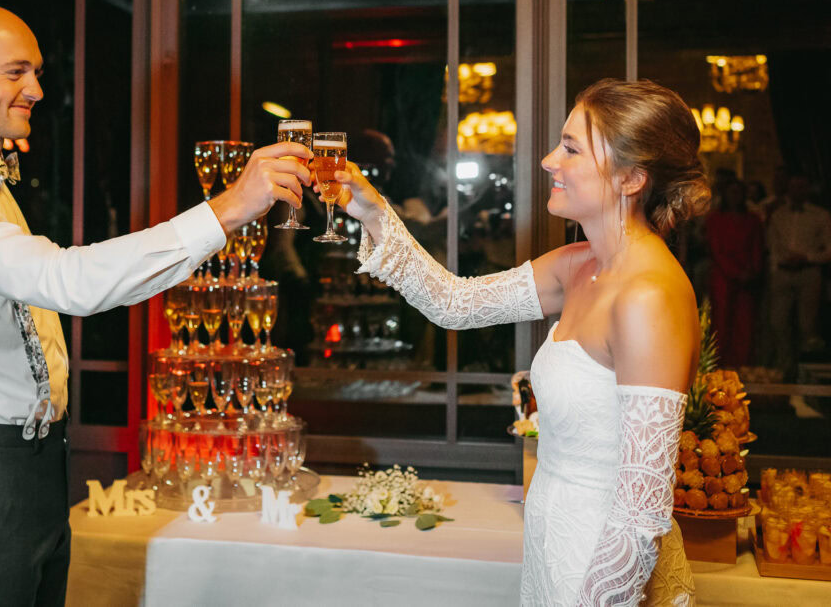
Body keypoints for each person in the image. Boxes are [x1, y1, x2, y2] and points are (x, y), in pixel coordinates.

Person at [0, 1, 310, 605]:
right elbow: (68, 283)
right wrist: (227, 208)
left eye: (36, 72)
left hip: (34, 464)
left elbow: (76, 288)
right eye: (15, 72)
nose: (35, 89)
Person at [326, 79, 708, 604]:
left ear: (631, 178)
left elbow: (640, 514)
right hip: (553, 542)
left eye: (571, 148)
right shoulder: (580, 265)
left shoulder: (648, 296)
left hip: (604, 570)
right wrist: (373, 211)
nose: (550, 160)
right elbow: (454, 303)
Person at [767, 173, 831, 378]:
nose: (797, 192)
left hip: (808, 272)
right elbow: (772, 245)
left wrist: (807, 257)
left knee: (807, 325)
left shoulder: (820, 216)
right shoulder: (778, 215)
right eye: (793, 187)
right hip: (783, 273)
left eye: (802, 188)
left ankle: (807, 373)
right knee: (779, 322)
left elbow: (829, 249)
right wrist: (777, 267)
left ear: (808, 190)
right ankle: (784, 371)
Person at [705, 179, 764, 368]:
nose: (735, 197)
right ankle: (718, 366)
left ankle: (742, 366)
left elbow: (757, 248)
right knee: (721, 322)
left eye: (739, 192)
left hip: (746, 278)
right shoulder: (715, 219)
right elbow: (716, 250)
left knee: (744, 324)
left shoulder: (752, 220)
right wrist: (735, 272)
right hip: (723, 277)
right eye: (732, 192)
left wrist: (752, 271)